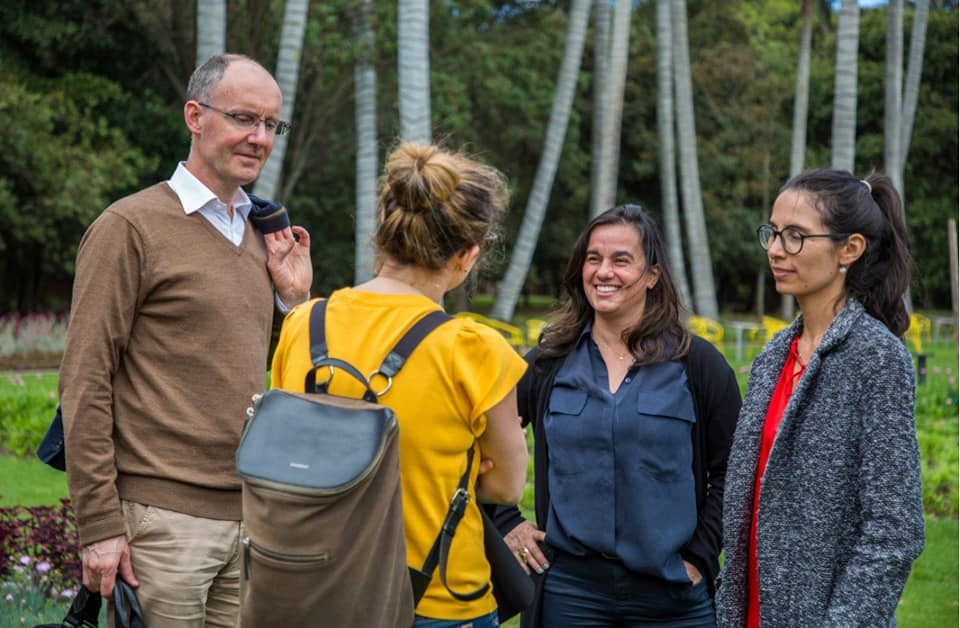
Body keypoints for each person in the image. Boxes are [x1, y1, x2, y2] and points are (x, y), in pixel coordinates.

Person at [58, 53, 313, 627]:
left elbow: (261, 365)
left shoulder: (261, 235)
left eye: (273, 125)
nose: (259, 137)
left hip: (247, 517)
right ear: (195, 116)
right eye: (245, 118)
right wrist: (99, 526)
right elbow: (84, 380)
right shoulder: (130, 227)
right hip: (161, 524)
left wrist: (288, 298)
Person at [270, 142, 529, 627]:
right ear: (467, 254)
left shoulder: (306, 323)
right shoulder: (473, 348)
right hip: (437, 595)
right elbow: (507, 485)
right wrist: (459, 461)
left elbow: (294, 453)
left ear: (383, 234)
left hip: (319, 587)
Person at [491, 205, 741, 627]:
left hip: (673, 595)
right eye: (594, 259)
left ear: (652, 275)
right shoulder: (548, 364)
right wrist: (506, 521)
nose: (604, 271)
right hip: (571, 593)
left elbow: (735, 471)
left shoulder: (699, 365)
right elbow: (478, 436)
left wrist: (700, 556)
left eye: (621, 260)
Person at [715, 169, 925, 627]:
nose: (775, 249)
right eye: (772, 232)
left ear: (849, 249)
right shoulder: (774, 355)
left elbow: (895, 529)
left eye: (796, 237)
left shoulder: (876, 357)